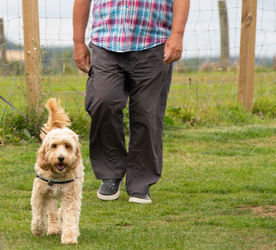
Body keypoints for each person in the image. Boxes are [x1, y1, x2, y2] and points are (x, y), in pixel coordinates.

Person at [72, 0, 190, 203]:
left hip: (153, 42)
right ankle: (110, 174)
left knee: (147, 112)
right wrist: (78, 41)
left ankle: (140, 182)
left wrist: (177, 35)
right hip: (106, 41)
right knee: (103, 101)